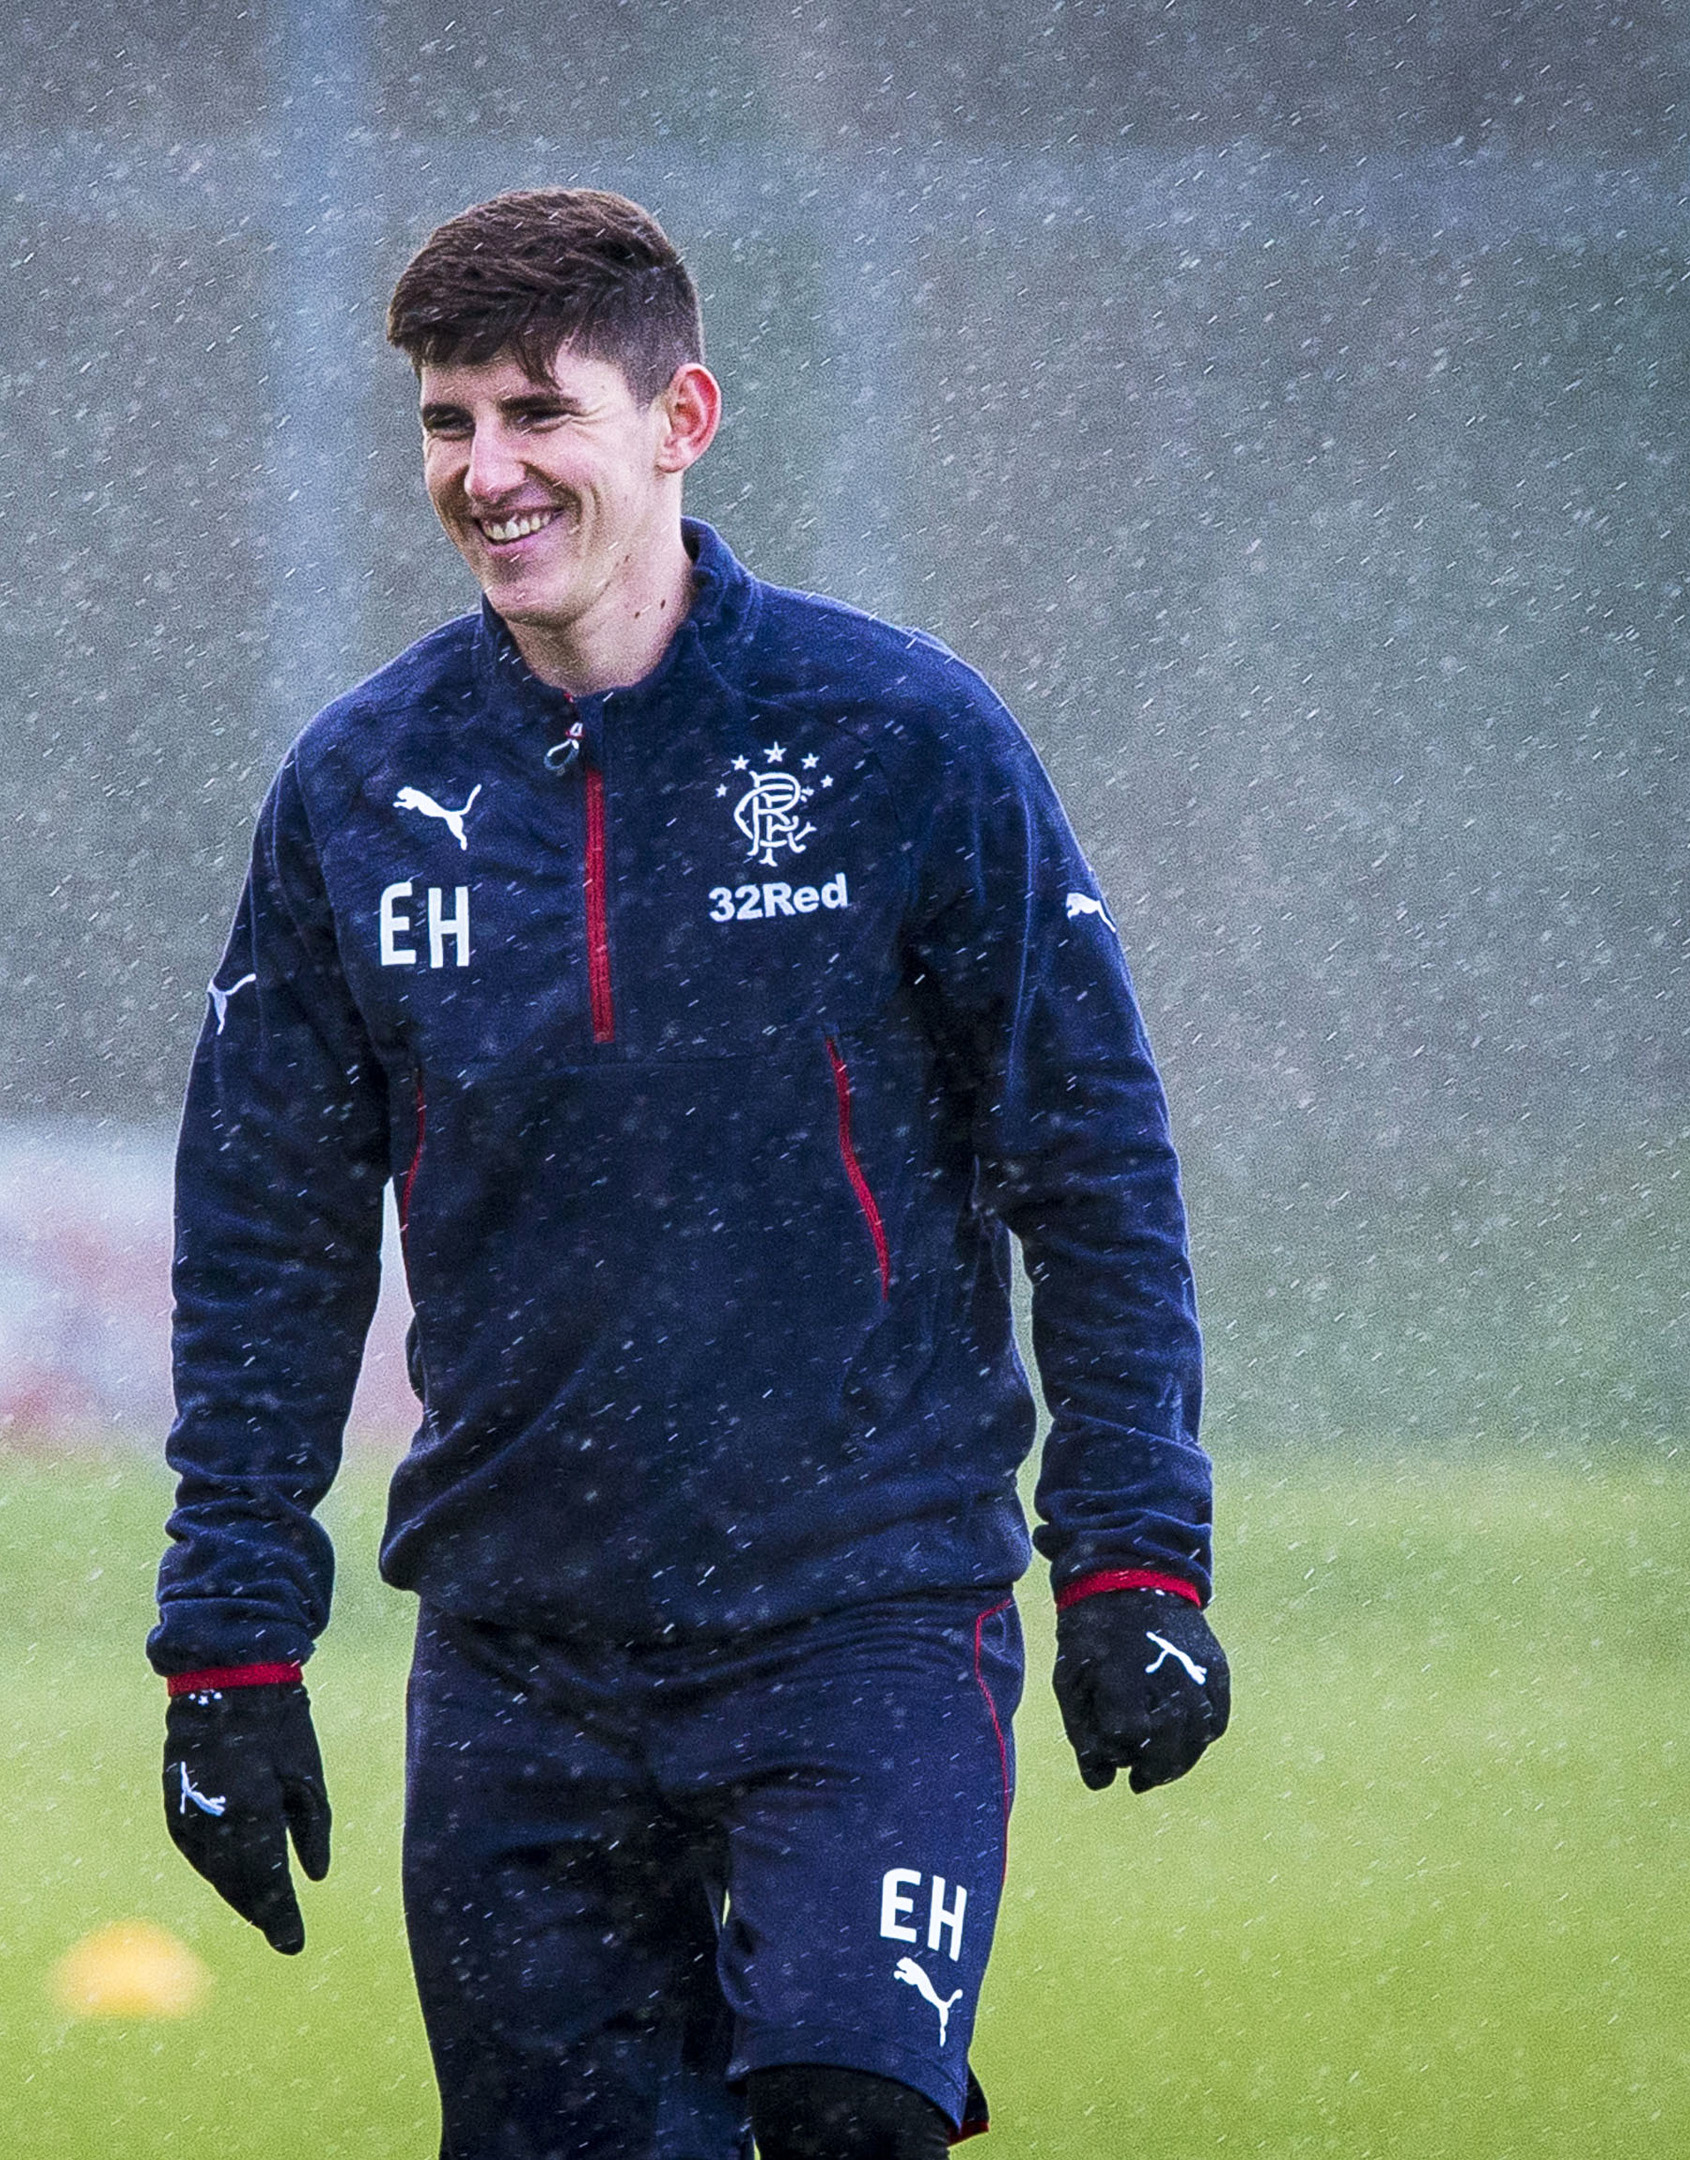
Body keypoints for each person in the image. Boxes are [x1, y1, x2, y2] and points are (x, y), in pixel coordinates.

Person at [151, 187, 1225, 2160]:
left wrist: (1135, 1555)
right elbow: (263, 1245)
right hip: (518, 1655)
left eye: (537, 414)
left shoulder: (897, 736)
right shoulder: (358, 791)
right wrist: (228, 1642)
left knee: (843, 2104)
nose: (487, 474)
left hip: (864, 1618)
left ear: (679, 417)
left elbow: (1092, 1166)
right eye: (445, 423)